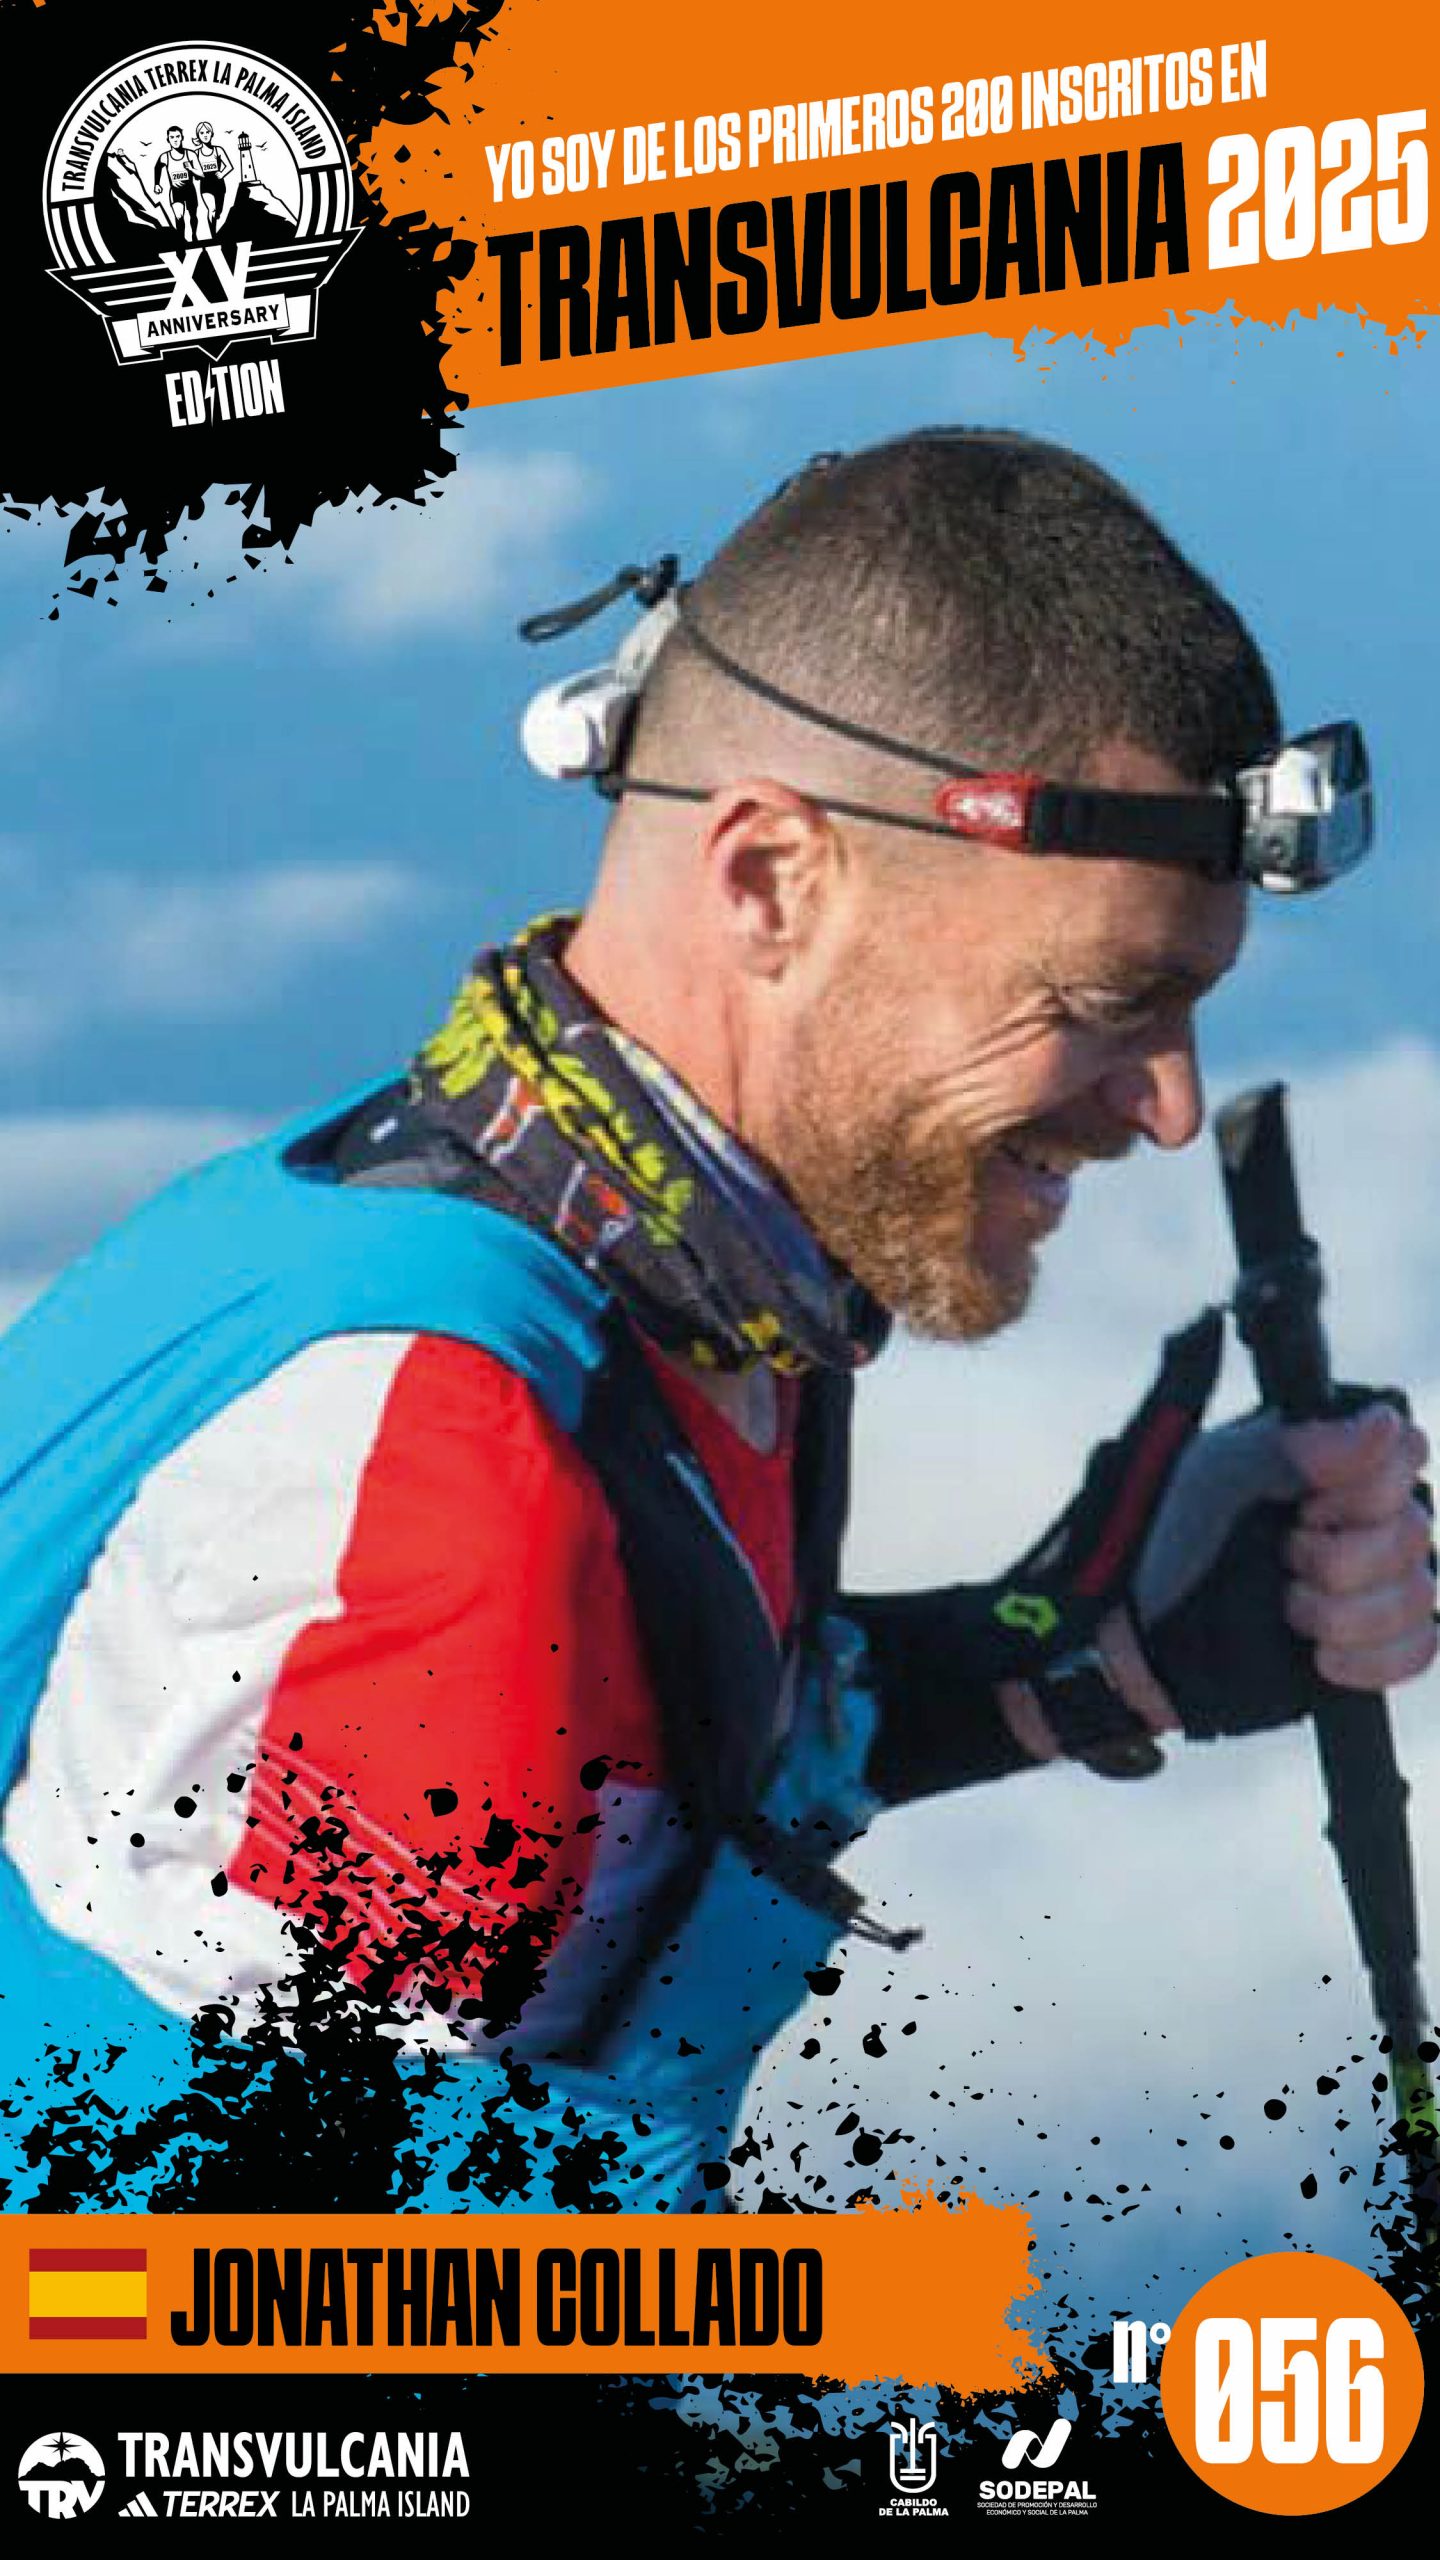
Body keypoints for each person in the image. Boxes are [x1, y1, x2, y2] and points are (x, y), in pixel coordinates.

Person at [0, 431, 1432, 2215]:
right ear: (769, 883)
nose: (1165, 1104)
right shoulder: (452, 1468)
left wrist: (1088, 1653)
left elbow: (611, 1784)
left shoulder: (628, 1249)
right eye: (1098, 1000)